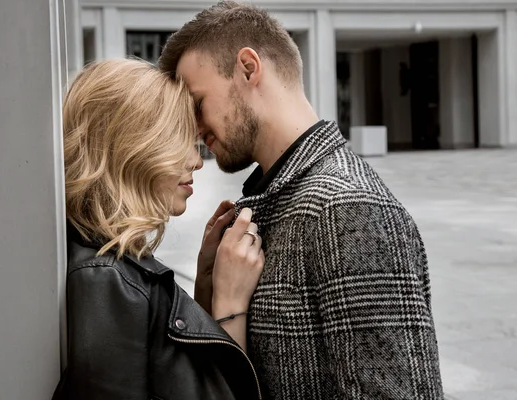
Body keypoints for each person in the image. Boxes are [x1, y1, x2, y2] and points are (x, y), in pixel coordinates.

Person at [158, 1, 444, 399]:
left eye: (197, 103)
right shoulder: (272, 199)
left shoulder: (346, 207)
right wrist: (209, 290)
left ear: (248, 68)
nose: (193, 127)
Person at [52, 58, 264, 400]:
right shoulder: (107, 280)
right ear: (131, 145)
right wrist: (230, 305)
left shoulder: (114, 271)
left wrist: (206, 286)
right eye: (178, 141)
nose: (196, 161)